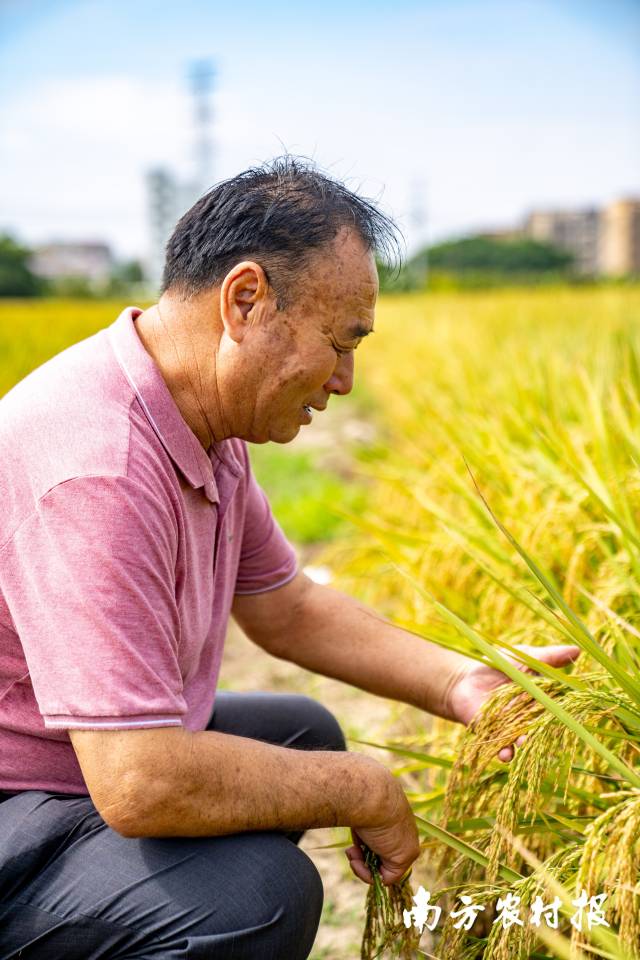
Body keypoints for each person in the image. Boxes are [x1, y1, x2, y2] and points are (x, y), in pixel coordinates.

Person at [0, 157, 580, 959]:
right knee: (257, 899)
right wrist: (363, 789)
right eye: (340, 342)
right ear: (246, 301)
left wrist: (461, 683)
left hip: (72, 759)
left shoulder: (199, 417)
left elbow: (289, 607)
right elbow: (139, 780)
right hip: (23, 795)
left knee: (303, 733)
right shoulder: (99, 466)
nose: (346, 380)